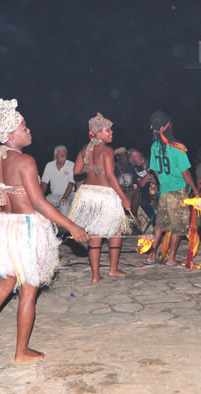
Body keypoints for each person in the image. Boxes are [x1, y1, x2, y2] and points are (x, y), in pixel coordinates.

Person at [0, 98, 89, 362]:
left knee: (3, 284)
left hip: (4, 227)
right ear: (11, 134)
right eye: (24, 128)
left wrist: (0, 231)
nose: (29, 130)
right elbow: (38, 202)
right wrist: (71, 226)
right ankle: (21, 351)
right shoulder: (25, 161)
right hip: (26, 229)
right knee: (28, 290)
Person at [70, 113, 132, 283]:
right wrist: (123, 198)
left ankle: (96, 275)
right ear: (97, 133)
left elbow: (76, 172)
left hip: (88, 194)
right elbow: (111, 177)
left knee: (95, 234)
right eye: (107, 129)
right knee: (115, 232)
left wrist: (91, 168)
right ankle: (112, 269)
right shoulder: (107, 150)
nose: (111, 132)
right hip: (105, 195)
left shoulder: (84, 149)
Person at [146, 110, 199, 266]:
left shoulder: (154, 147)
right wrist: (195, 190)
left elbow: (154, 169)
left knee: (160, 226)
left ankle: (151, 256)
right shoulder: (178, 147)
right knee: (178, 227)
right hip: (179, 192)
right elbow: (186, 173)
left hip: (164, 191)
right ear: (167, 126)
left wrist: (163, 181)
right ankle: (171, 259)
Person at [40, 145, 75, 216]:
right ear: (55, 156)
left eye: (64, 154)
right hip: (54, 196)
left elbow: (71, 183)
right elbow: (44, 183)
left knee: (64, 207)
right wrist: (40, 196)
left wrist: (65, 197)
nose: (63, 156)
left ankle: (64, 224)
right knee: (40, 205)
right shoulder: (49, 165)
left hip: (68, 195)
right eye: (61, 154)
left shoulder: (71, 165)